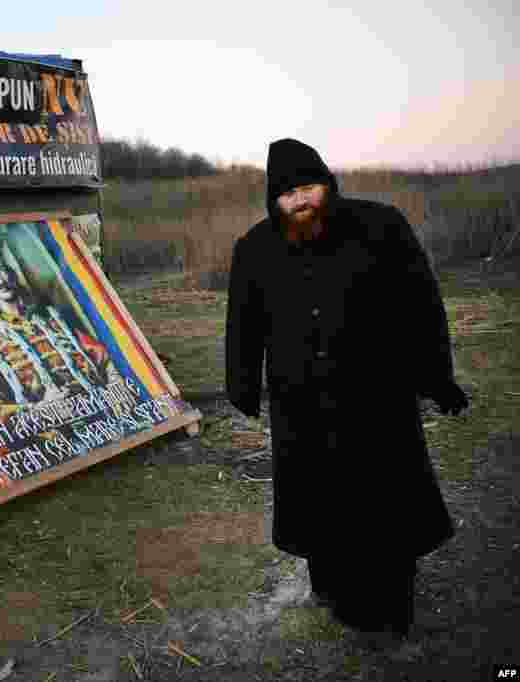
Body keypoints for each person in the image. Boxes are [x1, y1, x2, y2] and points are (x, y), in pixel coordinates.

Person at [225, 138, 469, 648]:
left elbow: (421, 303)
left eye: (309, 188)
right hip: (301, 408)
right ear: (274, 200)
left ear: (328, 184)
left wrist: (436, 376)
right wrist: (243, 383)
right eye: (288, 194)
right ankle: (335, 595)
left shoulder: (380, 226)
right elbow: (244, 324)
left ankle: (394, 604)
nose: (301, 202)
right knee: (320, 507)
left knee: (386, 504)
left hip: (378, 399)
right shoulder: (255, 248)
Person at [0, 243, 121, 424]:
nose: (0, 278)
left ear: (13, 274)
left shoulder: (51, 316)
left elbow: (103, 358)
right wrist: (41, 410)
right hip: (52, 435)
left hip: (103, 415)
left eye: (3, 269)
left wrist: (116, 387)